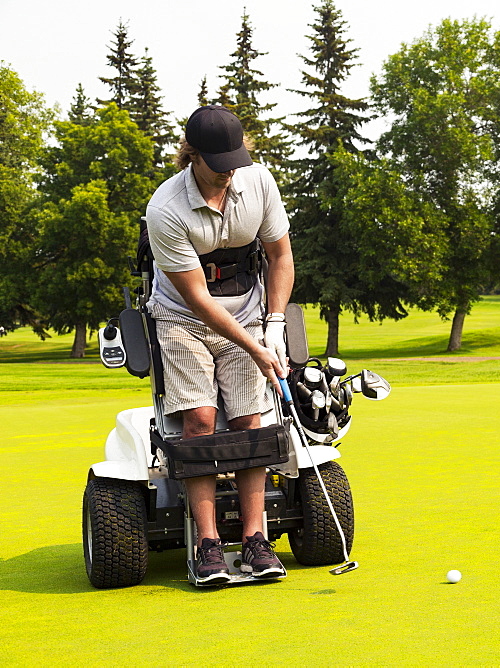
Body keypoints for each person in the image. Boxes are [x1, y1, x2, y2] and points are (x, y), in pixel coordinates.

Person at [145, 105, 294, 585]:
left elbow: (280, 255)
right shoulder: (165, 209)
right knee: (201, 419)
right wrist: (253, 346)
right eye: (220, 161)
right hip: (183, 318)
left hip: (248, 311)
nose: (230, 170)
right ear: (193, 156)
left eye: (237, 158)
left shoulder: (258, 182)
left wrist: (272, 324)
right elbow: (197, 298)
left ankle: (256, 541)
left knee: (250, 418)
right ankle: (208, 545)